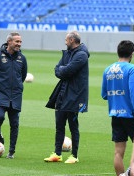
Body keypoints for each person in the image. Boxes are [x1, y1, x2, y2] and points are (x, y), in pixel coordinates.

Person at [101, 40, 134, 176]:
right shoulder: (132, 69)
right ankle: (129, 172)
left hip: (115, 114)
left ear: (118, 52)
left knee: (118, 152)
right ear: (131, 54)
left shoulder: (108, 70)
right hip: (131, 115)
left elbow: (104, 94)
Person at [44, 31, 90, 164]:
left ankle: (74, 155)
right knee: (59, 125)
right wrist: (63, 70)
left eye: (66, 40)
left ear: (71, 40)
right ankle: (57, 154)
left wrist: (63, 70)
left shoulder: (81, 55)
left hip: (74, 96)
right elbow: (57, 69)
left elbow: (68, 71)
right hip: (63, 94)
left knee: (73, 126)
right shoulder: (68, 53)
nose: (65, 42)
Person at [0, 32, 27, 159]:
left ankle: (11, 152)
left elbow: (23, 76)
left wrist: (17, 87)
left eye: (20, 42)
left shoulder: (22, 58)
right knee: (0, 116)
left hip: (16, 95)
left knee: (14, 123)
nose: (19, 44)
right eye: (17, 42)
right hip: (0, 93)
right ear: (9, 41)